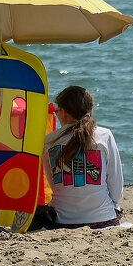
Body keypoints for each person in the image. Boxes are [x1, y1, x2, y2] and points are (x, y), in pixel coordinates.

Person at [36, 85, 124, 229]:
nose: (56, 113)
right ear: (89, 111)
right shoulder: (105, 135)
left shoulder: (49, 141)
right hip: (102, 220)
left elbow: (54, 186)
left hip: (62, 222)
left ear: (63, 112)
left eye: (57, 110)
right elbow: (117, 193)